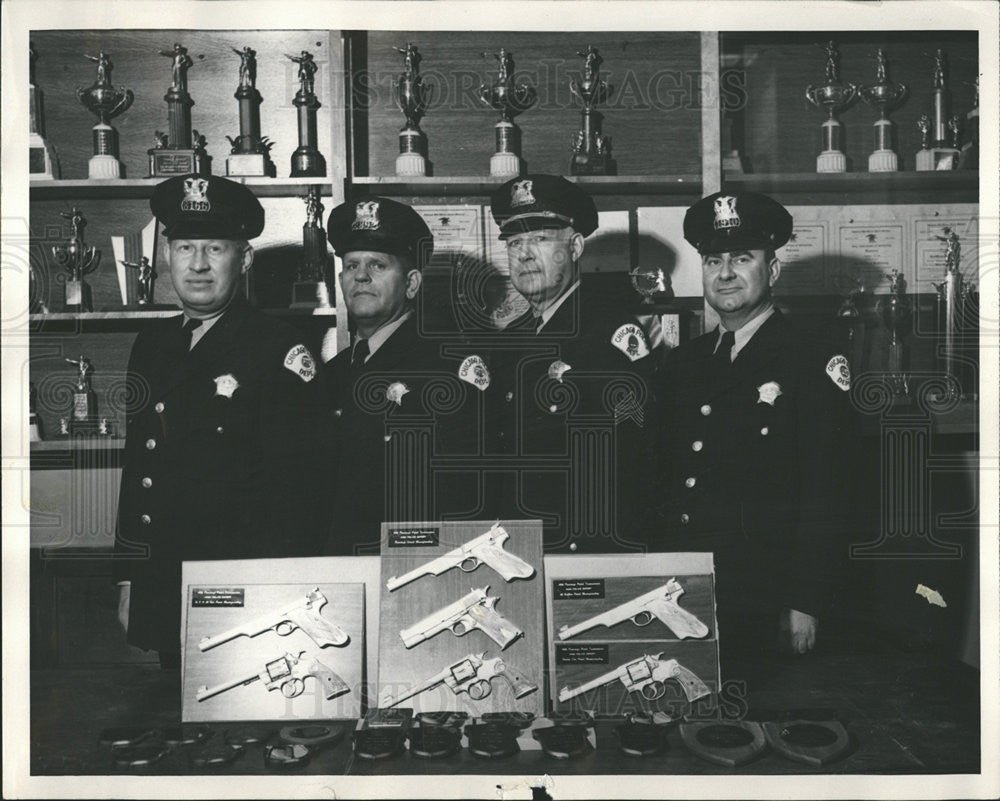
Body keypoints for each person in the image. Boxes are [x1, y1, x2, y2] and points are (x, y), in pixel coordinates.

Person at [113, 174, 329, 666]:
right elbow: (139, 469)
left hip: (244, 594)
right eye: (185, 247)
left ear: (244, 259)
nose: (198, 264)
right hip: (165, 584)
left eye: (215, 248)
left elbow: (298, 498)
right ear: (166, 257)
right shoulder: (152, 345)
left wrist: (271, 601)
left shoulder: (278, 348)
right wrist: (129, 578)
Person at [655, 191, 854, 658]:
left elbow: (829, 491)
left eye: (742, 258)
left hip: (764, 596)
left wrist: (805, 601)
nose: (725, 273)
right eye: (712, 260)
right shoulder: (682, 363)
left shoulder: (812, 359)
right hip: (686, 584)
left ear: (773, 270)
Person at [487, 174, 655, 553]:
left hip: (587, 554)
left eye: (541, 239)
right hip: (517, 548)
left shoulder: (611, 334)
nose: (524, 254)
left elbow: (635, 464)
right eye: (514, 242)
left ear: (576, 246)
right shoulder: (509, 340)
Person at [322, 197, 483, 555]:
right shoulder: (332, 374)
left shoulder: (449, 369)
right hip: (337, 571)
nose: (360, 276)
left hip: (412, 571)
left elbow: (464, 502)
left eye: (378, 265)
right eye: (351, 266)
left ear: (412, 284)